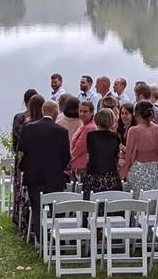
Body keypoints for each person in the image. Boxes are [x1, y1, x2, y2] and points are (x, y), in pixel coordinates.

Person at [16, 99, 70, 242]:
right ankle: (56, 240)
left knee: (37, 209)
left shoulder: (28, 127)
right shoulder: (62, 131)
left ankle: (41, 241)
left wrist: (24, 167)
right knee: (55, 209)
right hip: (54, 176)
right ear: (55, 113)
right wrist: (58, 168)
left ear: (42, 111)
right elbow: (66, 156)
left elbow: (21, 152)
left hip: (34, 175)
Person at [13, 93, 44, 231]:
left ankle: (23, 218)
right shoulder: (49, 123)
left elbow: (19, 144)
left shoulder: (23, 121)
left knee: (24, 191)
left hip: (27, 164)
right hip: (43, 166)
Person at [122, 100, 158, 195]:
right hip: (156, 169)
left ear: (137, 113)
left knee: (138, 203)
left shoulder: (133, 130)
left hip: (139, 170)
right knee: (155, 200)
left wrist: (126, 172)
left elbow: (128, 156)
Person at [83, 108, 123, 197]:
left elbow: (90, 154)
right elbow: (115, 155)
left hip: (93, 176)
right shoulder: (115, 137)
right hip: (111, 176)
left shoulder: (91, 136)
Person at [68, 100, 97, 178]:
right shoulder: (83, 126)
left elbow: (79, 148)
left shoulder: (90, 128)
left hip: (81, 167)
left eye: (85, 111)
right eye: (80, 111)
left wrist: (68, 160)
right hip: (77, 165)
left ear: (92, 113)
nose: (82, 114)